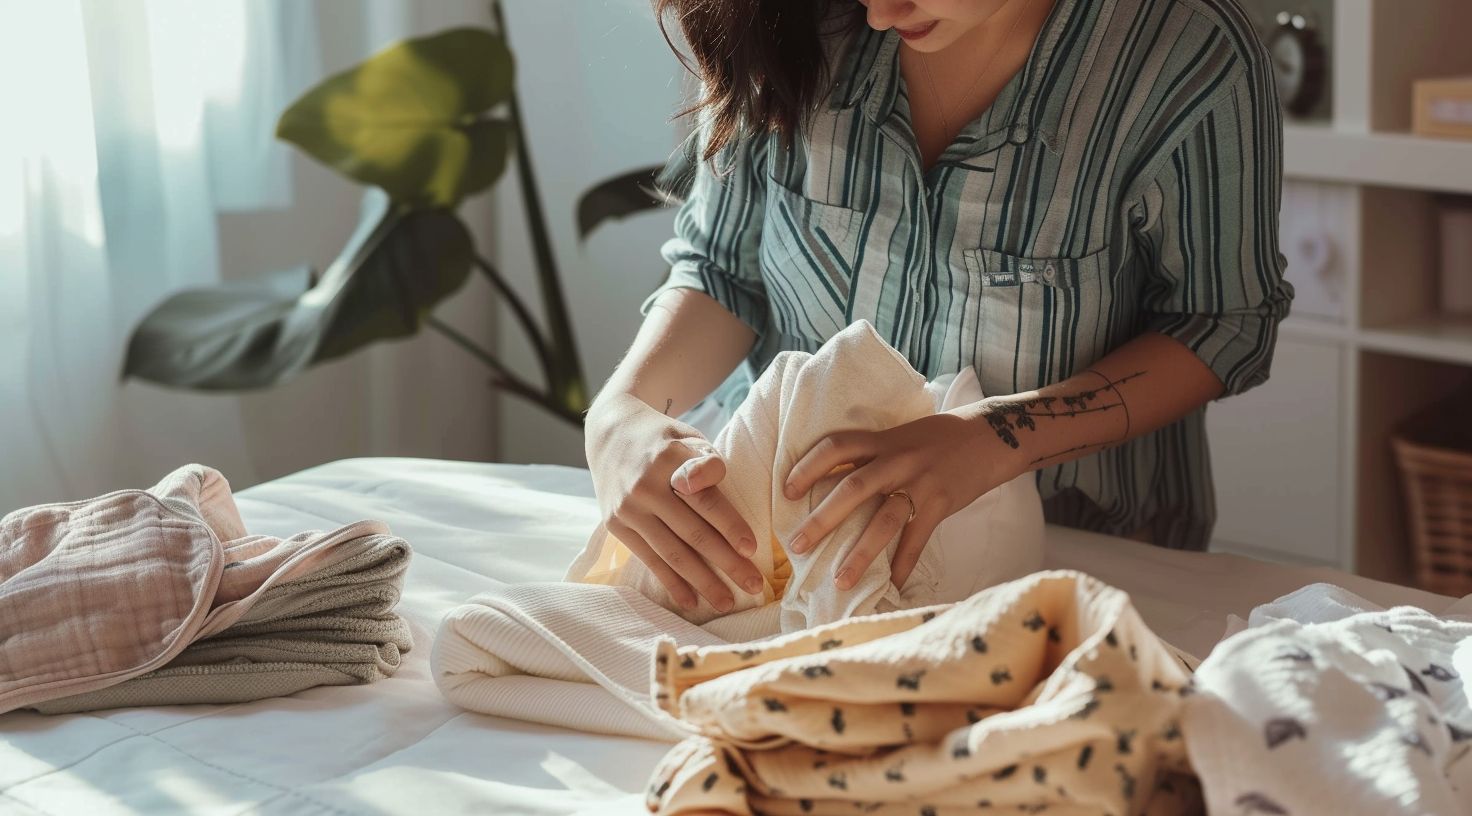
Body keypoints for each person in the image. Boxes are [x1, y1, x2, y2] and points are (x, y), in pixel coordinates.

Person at [584, 0, 1294, 614]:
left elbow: (1221, 324)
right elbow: (724, 270)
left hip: (1082, 560)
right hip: (793, 555)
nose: (879, 15)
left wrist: (996, 438)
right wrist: (620, 415)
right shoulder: (791, 17)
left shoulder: (1187, 56)